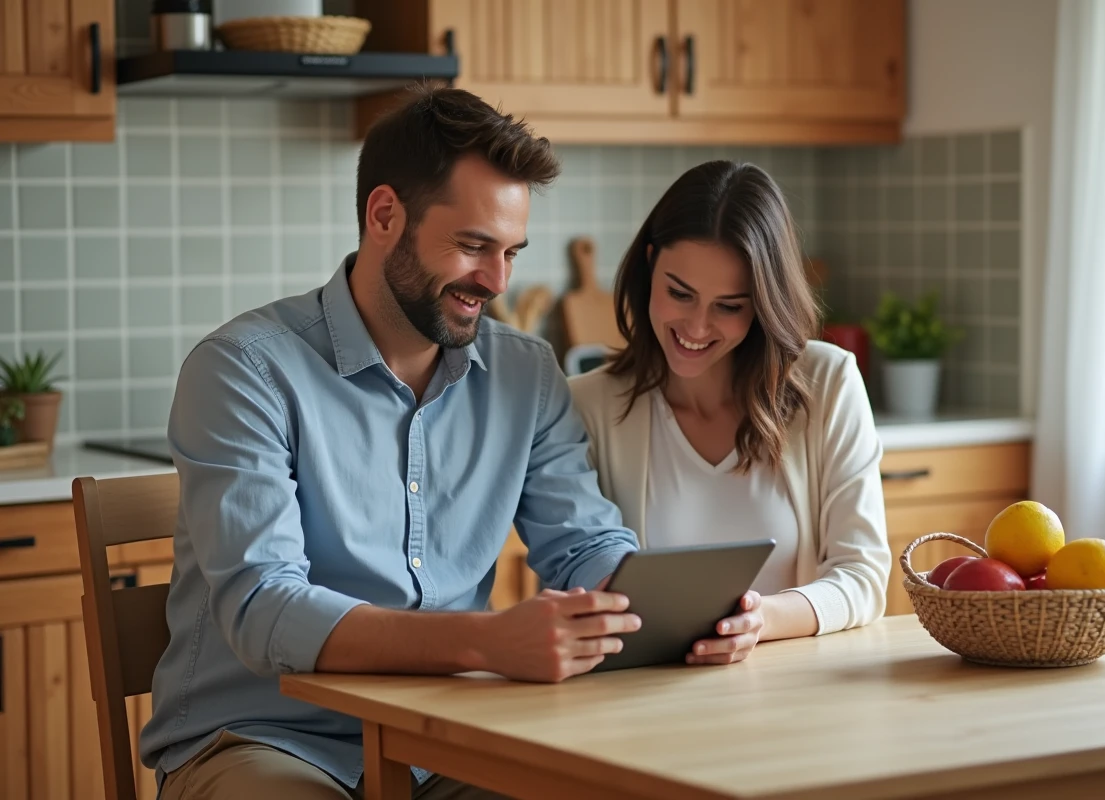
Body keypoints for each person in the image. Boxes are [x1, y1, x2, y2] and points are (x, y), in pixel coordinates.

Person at [142, 85, 642, 800]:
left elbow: (584, 546)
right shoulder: (244, 370)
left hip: (449, 740)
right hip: (268, 741)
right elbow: (264, 608)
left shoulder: (524, 373)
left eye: (509, 252)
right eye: (473, 247)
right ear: (384, 215)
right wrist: (487, 643)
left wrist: (664, 604)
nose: (497, 282)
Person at [568, 160, 891, 666]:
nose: (696, 326)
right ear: (649, 264)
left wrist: (760, 622)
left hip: (800, 700)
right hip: (641, 710)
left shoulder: (829, 382)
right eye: (680, 293)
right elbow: (577, 585)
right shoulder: (586, 405)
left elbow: (864, 577)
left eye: (730, 305)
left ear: (763, 303)